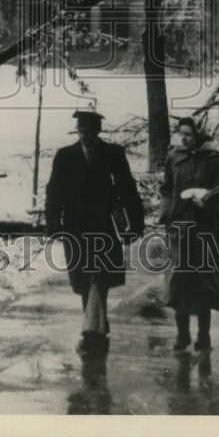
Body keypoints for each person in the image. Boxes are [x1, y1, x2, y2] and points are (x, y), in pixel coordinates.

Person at [45, 108, 144, 355]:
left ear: (98, 131)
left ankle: (92, 329)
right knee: (82, 280)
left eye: (89, 132)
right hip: (75, 226)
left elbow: (127, 189)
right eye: (81, 132)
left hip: (104, 225)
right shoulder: (65, 156)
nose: (85, 136)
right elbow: (54, 192)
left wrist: (136, 223)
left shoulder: (112, 154)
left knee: (100, 277)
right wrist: (53, 223)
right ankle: (96, 324)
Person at [159, 116, 219, 353]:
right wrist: (167, 213)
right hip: (179, 228)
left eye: (188, 134)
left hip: (205, 230)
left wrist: (208, 204)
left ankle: (204, 336)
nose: (184, 138)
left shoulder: (214, 160)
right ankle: (182, 335)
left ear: (198, 136)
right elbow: (167, 189)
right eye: (181, 133)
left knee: (203, 282)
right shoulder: (174, 158)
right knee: (179, 280)